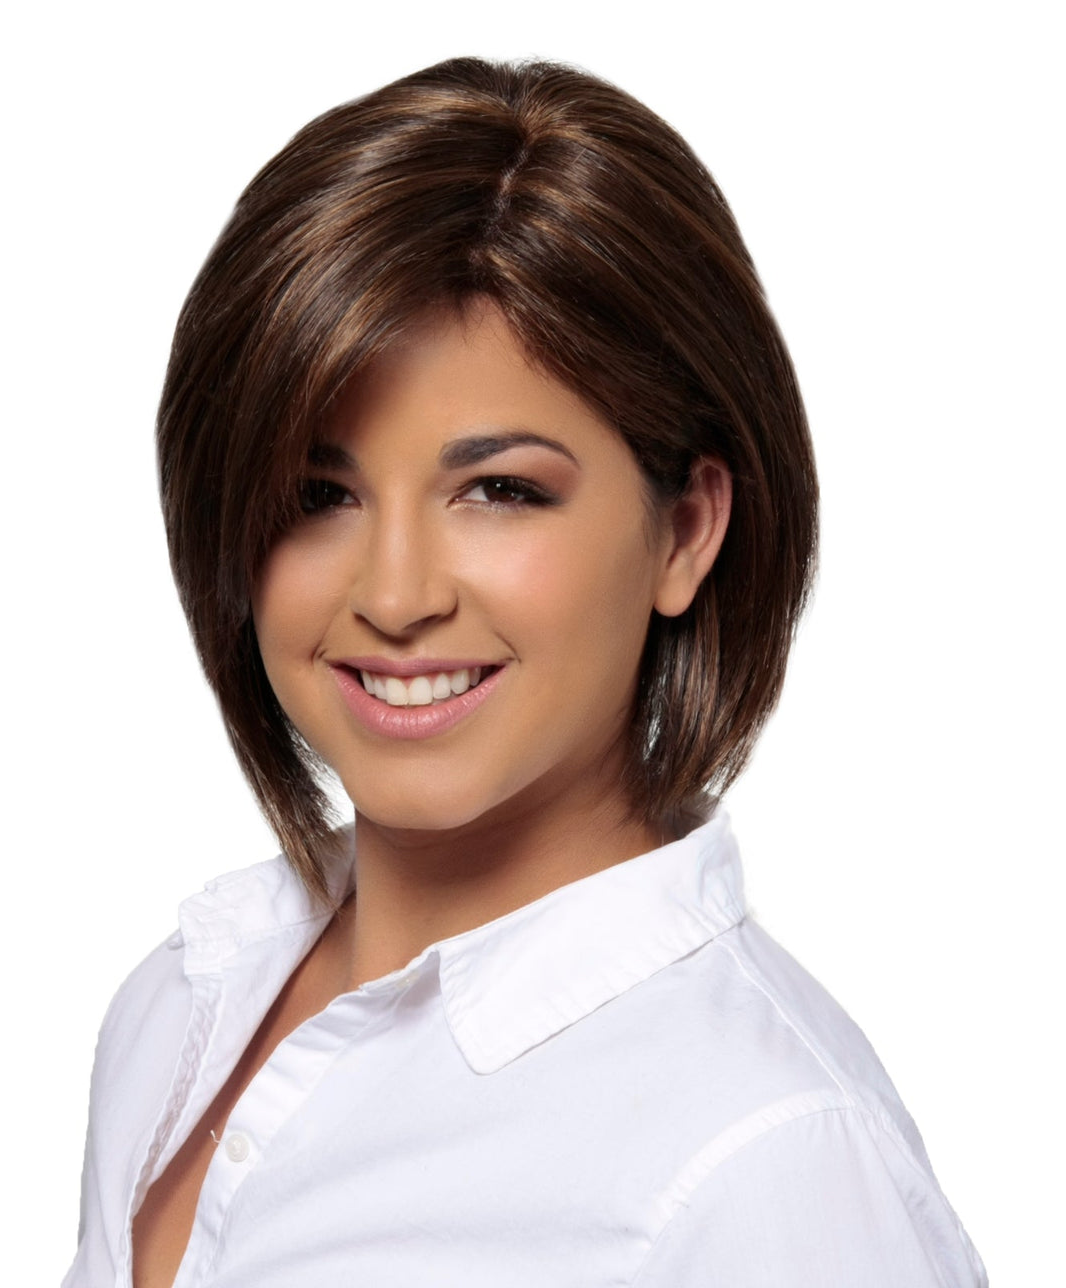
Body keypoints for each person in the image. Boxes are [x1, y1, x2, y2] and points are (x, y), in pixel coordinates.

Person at [63, 57, 986, 1288]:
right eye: (317, 493)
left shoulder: (763, 1162)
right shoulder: (183, 1000)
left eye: (499, 490)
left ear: (685, 530)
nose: (396, 595)